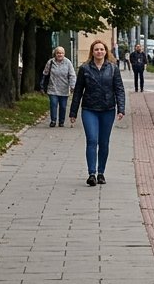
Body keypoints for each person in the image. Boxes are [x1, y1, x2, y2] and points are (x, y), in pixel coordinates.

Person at [70, 40, 126, 187]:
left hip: (108, 110)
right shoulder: (85, 69)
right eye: (96, 50)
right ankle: (92, 174)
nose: (99, 52)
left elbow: (119, 89)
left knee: (104, 142)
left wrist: (121, 108)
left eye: (102, 49)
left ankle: (101, 172)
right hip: (90, 109)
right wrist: (73, 112)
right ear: (92, 52)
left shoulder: (113, 68)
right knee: (92, 140)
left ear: (106, 52)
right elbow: (78, 91)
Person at [42, 46, 78, 128]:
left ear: (64, 54)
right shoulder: (50, 62)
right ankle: (53, 120)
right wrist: (43, 85)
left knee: (63, 106)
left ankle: (61, 121)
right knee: (53, 104)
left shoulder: (68, 63)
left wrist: (73, 86)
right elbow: (45, 73)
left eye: (61, 53)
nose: (60, 54)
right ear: (55, 54)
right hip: (52, 88)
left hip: (64, 88)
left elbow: (72, 75)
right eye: (58, 53)